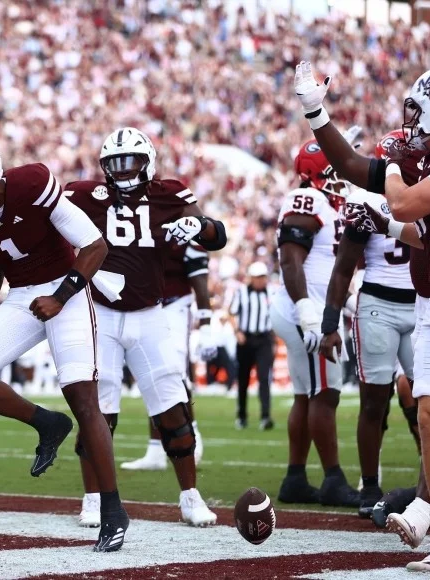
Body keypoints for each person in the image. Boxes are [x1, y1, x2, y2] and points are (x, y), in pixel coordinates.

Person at [295, 60, 430, 571]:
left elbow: (404, 205)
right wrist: (314, 111)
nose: (412, 118)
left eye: (421, 107)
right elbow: (357, 169)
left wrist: (395, 176)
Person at [0, 127, 128, 552]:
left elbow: (94, 247)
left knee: (84, 400)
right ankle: (47, 423)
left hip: (68, 290)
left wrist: (61, 297)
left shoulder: (32, 185)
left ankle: (113, 510)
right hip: (24, 296)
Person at [64, 127, 227, 528]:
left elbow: (216, 236)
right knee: (97, 408)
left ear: (148, 162)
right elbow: (45, 213)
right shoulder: (85, 194)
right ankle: (93, 498)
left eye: (130, 161)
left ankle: (190, 496)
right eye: (114, 164)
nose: (122, 171)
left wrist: (199, 227)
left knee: (172, 405)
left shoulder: (169, 193)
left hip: (150, 315)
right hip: (99, 313)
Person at [317, 130, 418, 519]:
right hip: (378, 304)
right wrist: (330, 324)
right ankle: (370, 486)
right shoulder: (366, 201)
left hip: (423, 305)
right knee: (373, 401)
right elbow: (343, 269)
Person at [271, 138, 360, 508]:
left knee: (307, 395)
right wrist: (308, 311)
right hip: (307, 312)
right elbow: (291, 260)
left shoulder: (328, 202)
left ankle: (295, 477)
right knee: (324, 395)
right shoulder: (306, 198)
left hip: (310, 309)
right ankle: (333, 479)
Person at [120, 241, 210, 471]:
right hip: (145, 305)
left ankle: (193, 431)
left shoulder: (183, 225)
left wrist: (206, 323)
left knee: (175, 370)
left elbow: (199, 278)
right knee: (151, 375)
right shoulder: (141, 219)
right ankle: (155, 449)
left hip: (174, 304)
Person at [229, 261, 274, 430]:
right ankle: (241, 416)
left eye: (263, 277)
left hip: (264, 339)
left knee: (264, 378)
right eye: (257, 277)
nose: (260, 280)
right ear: (251, 278)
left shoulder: (271, 292)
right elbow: (231, 313)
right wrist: (237, 332)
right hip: (245, 339)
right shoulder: (241, 292)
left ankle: (265, 416)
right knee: (243, 379)